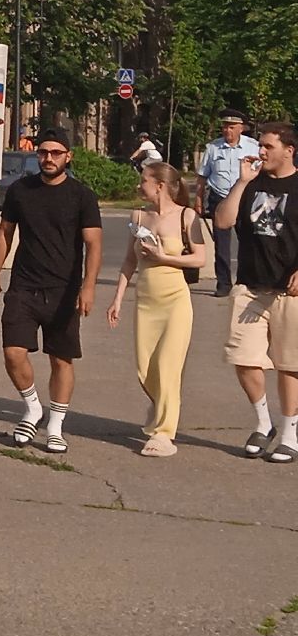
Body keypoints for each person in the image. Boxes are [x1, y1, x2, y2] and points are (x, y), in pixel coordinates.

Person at [0, 127, 103, 454]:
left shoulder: (82, 196)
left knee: (61, 359)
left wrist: (88, 287)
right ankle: (33, 407)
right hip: (24, 286)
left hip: (64, 291)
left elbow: (94, 245)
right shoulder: (21, 191)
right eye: (43, 152)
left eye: (55, 153)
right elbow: (5, 233)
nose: (48, 158)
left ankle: (55, 426)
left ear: (68, 156)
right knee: (13, 353)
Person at [106, 163, 204, 456]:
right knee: (145, 367)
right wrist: (117, 299)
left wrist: (164, 257)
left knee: (168, 366)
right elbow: (129, 261)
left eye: (144, 181)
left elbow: (199, 259)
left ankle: (163, 435)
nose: (139, 186)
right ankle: (160, 404)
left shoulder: (187, 216)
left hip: (176, 300)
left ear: (160, 185)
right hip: (146, 302)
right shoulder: (138, 216)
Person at [214, 121, 298, 463]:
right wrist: (241, 182)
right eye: (260, 145)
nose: (260, 152)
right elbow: (222, 221)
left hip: (289, 292)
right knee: (244, 359)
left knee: (289, 364)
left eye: (268, 146)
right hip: (250, 287)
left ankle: (290, 434)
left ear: (289, 150)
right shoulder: (251, 183)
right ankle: (264, 423)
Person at [197, 109, 261, 298]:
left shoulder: (253, 147)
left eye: (232, 127)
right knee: (221, 245)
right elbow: (202, 177)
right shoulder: (213, 148)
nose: (227, 130)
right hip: (220, 198)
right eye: (225, 126)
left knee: (248, 241)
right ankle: (223, 283)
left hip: (245, 199)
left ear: (241, 128)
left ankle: (246, 281)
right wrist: (198, 200)